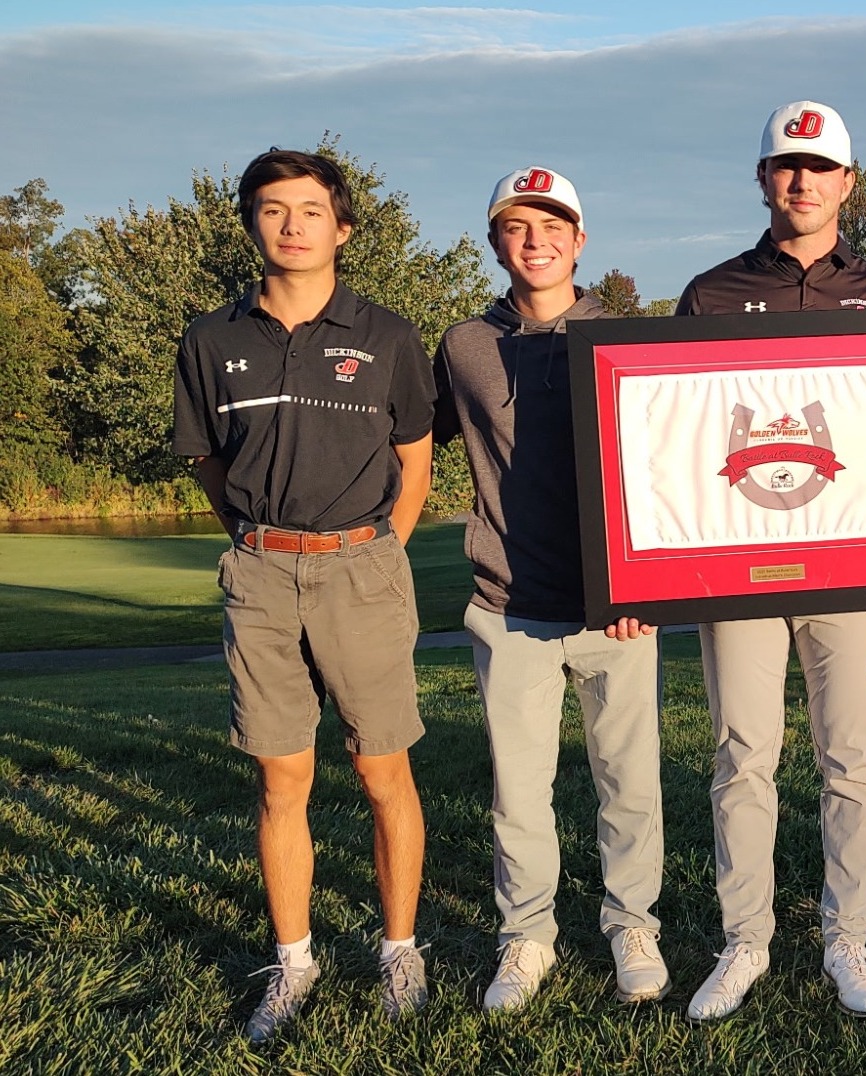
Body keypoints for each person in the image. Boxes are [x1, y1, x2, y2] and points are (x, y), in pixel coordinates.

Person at [172, 148, 435, 1041]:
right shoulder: (211, 339)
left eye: (311, 209)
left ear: (342, 226)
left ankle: (400, 947)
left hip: (362, 567)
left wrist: (380, 551)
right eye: (273, 209)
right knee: (283, 778)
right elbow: (210, 461)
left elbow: (414, 459)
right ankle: (293, 963)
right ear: (251, 222)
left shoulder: (390, 335)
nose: (292, 224)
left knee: (380, 768)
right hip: (258, 571)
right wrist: (260, 545)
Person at [672, 100, 866, 1021]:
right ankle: (746, 941)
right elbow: (682, 437)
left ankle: (845, 935)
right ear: (764, 178)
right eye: (786, 166)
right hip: (737, 567)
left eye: (820, 167)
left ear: (848, 182)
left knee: (849, 756)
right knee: (743, 755)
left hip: (851, 569)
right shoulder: (711, 294)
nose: (802, 181)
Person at [432, 167, 668, 1013]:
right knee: (517, 788)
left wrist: (655, 579)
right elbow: (409, 444)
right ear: (495, 241)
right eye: (515, 228)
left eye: (550, 226)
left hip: (620, 607)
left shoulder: (630, 336)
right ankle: (526, 937)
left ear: (579, 239)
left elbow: (667, 468)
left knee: (628, 780)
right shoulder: (462, 344)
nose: (534, 242)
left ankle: (632, 924)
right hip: (508, 602)